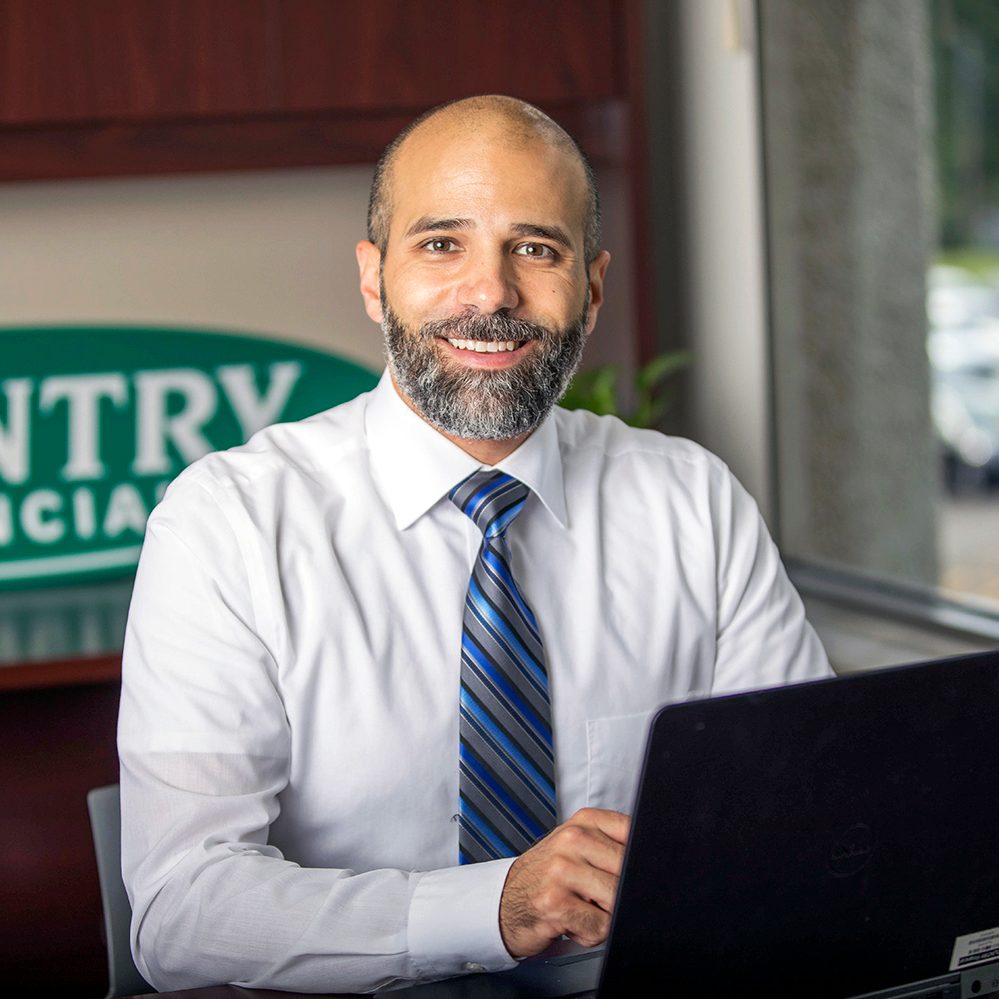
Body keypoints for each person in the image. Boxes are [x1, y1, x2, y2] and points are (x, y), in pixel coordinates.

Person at [118, 94, 832, 994]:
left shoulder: (693, 499)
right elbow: (183, 910)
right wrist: (493, 907)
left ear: (593, 286)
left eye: (535, 248)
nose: (490, 293)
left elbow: (809, 811)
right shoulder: (228, 523)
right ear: (375, 279)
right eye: (441, 243)